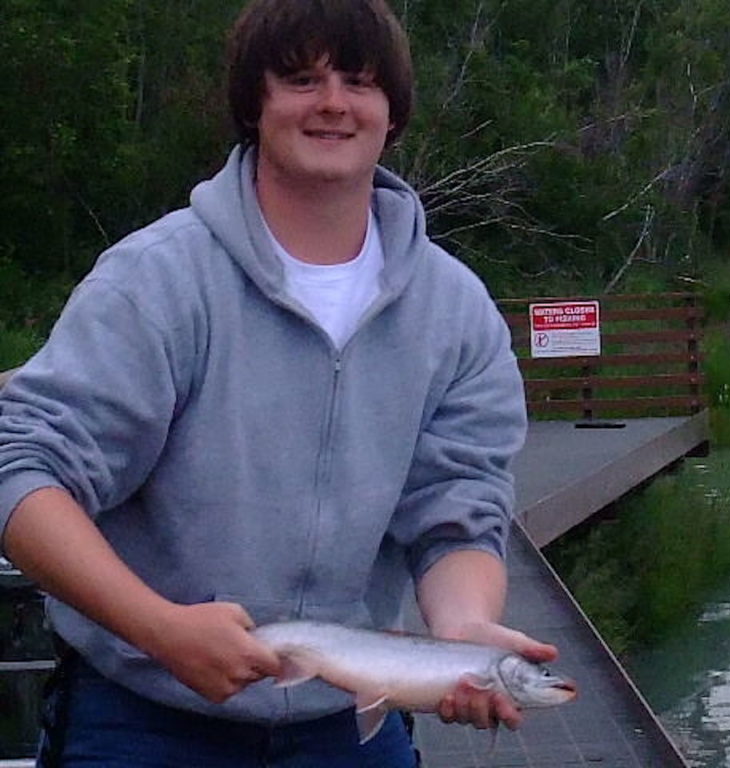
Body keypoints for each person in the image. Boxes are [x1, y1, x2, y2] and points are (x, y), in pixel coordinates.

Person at [0, 0, 555, 765]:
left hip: (345, 727)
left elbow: (457, 513)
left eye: (359, 82)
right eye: (301, 79)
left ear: (392, 113)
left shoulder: (456, 312)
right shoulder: (154, 283)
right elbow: (23, 472)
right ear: (253, 106)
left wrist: (461, 636)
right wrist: (159, 627)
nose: (333, 102)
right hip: (141, 715)